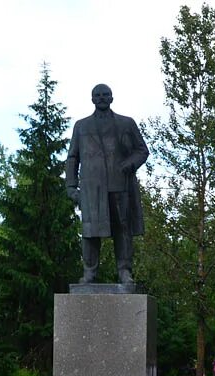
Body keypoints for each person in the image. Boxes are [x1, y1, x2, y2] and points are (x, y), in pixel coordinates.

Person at [65, 83, 149, 284]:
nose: (102, 97)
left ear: (112, 98)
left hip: (120, 185)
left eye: (106, 94)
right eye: (98, 95)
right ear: (92, 99)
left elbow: (142, 150)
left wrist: (129, 164)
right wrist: (70, 185)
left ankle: (124, 271)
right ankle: (89, 272)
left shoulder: (126, 123)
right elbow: (72, 158)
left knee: (122, 229)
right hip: (91, 188)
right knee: (90, 231)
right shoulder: (81, 126)